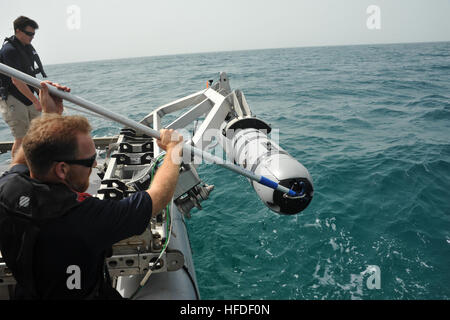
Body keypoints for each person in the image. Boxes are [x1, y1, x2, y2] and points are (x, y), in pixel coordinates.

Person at [0, 81, 184, 299]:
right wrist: (174, 150)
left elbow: (28, 153)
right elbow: (157, 198)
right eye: (89, 161)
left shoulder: (8, 190)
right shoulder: (84, 218)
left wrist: (50, 115)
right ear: (62, 169)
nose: (95, 165)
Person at [0, 16, 47, 157]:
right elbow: (16, 80)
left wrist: (41, 96)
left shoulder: (26, 48)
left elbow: (31, 76)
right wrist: (36, 101)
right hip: (13, 98)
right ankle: (16, 173)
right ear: (18, 31)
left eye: (33, 34)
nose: (32, 37)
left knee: (35, 136)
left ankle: (33, 169)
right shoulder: (9, 50)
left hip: (28, 96)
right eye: (29, 33)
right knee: (21, 139)